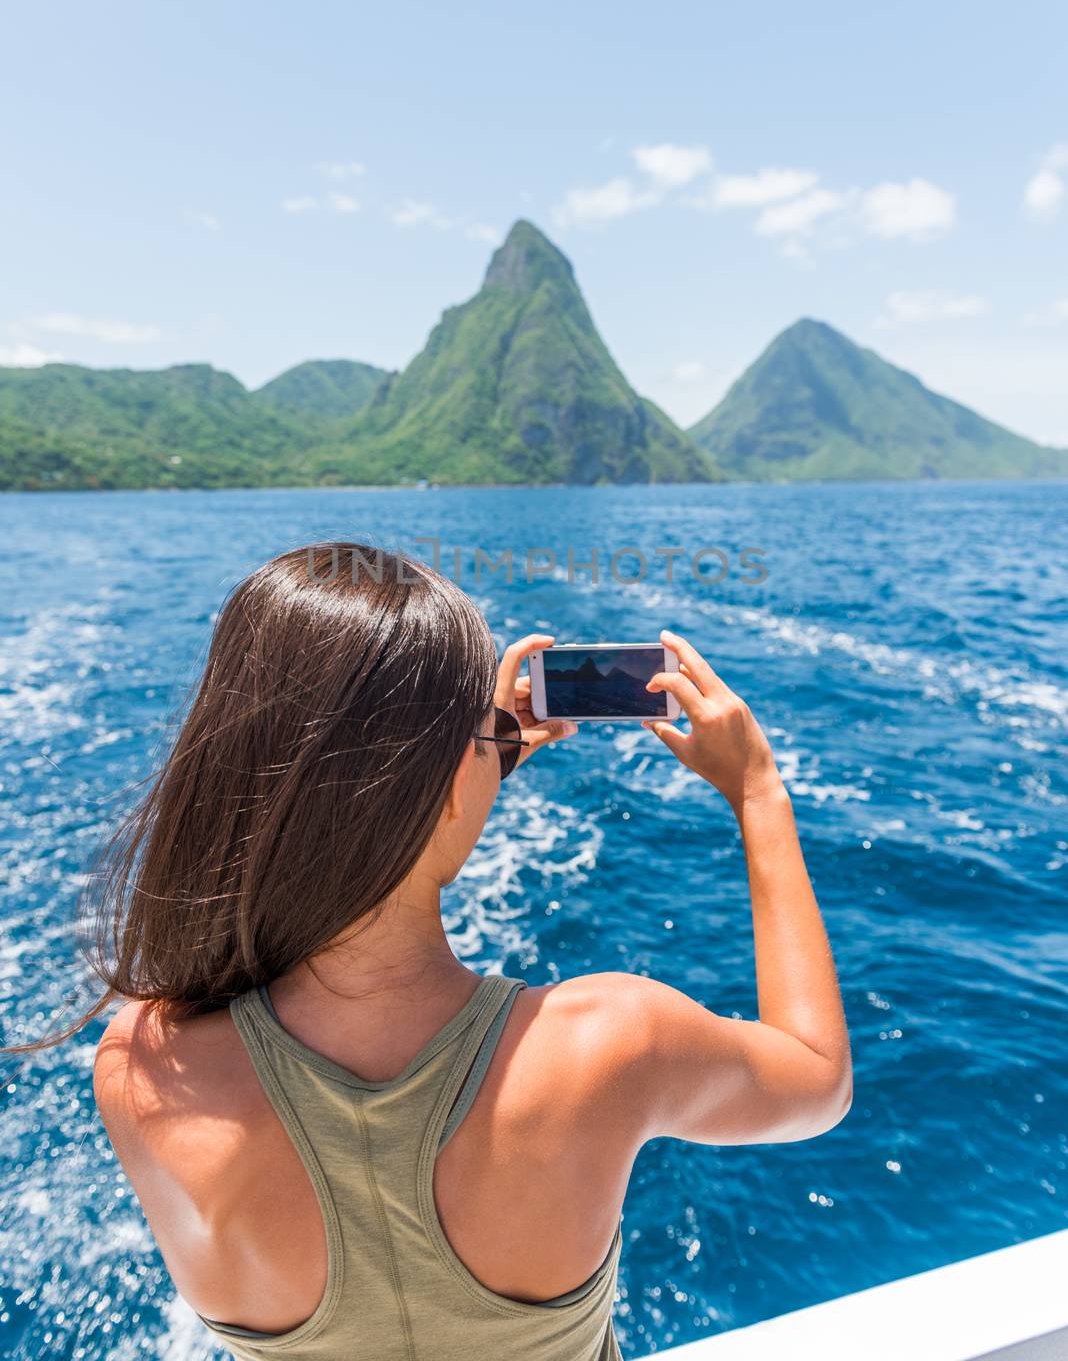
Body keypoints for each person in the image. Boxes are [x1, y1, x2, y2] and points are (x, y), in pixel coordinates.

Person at [11, 542, 852, 1361]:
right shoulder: (607, 1044)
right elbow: (817, 1079)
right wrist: (756, 790)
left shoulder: (143, 1067)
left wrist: (469, 766)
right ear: (451, 788)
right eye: (479, 734)